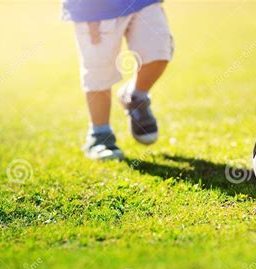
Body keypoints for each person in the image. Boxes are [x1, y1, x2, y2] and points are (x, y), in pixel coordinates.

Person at [62, 0, 174, 160]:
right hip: (93, 8)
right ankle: (100, 136)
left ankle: (135, 97)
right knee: (99, 71)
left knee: (159, 51)